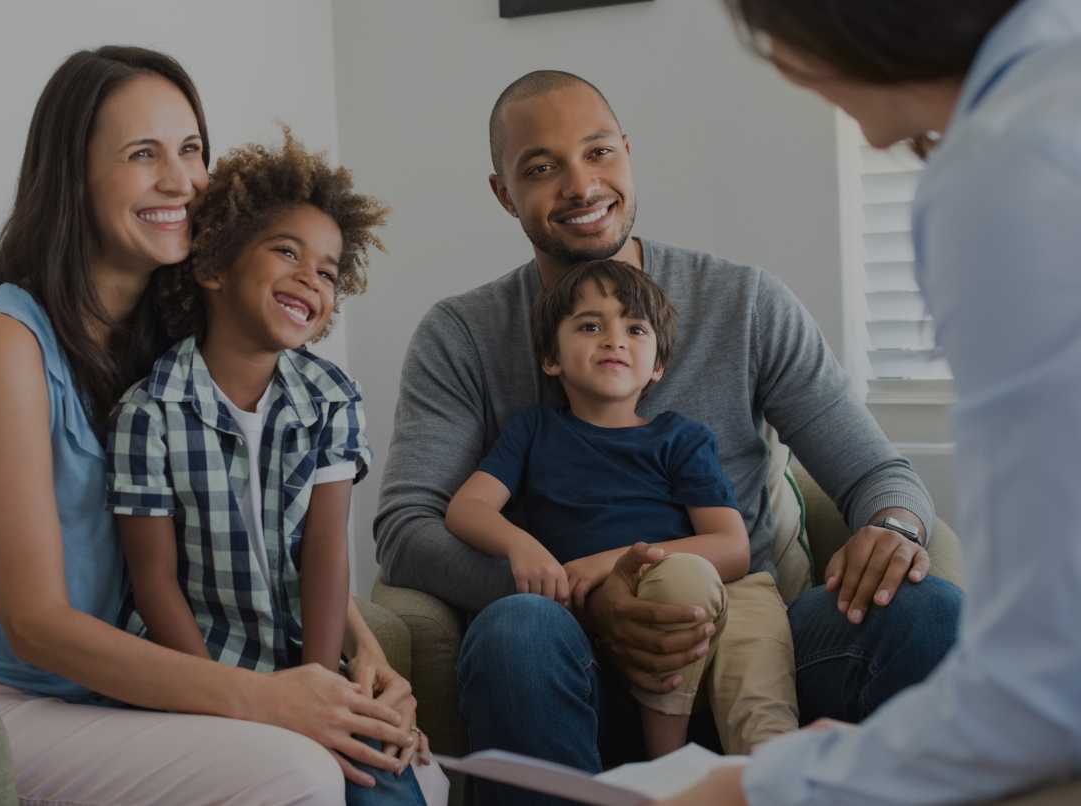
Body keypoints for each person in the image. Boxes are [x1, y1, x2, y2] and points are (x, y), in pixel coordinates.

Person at [374, 68, 962, 804]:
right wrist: (581, 597)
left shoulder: (743, 303)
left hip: (745, 641)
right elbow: (406, 528)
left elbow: (878, 472)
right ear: (504, 193)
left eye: (598, 153)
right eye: (541, 168)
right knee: (516, 631)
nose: (582, 185)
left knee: (929, 609)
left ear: (627, 152)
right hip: (565, 654)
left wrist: (895, 525)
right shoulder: (463, 335)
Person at [0, 46, 423, 806]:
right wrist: (269, 702)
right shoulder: (5, 342)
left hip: (127, 691)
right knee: (301, 769)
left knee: (395, 764)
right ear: (72, 176)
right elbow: (35, 624)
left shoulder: (177, 342)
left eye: (190, 150)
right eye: (142, 154)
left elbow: (263, 528)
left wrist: (361, 657)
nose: (180, 180)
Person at [664, 0, 1081, 803]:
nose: (779, 64)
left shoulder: (1001, 171)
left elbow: (1042, 692)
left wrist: (764, 783)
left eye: (768, 28)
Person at [107, 129, 446, 806]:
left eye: (326, 270)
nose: (309, 278)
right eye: (287, 251)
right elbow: (154, 582)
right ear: (214, 266)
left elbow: (325, 555)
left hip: (305, 669)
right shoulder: (146, 414)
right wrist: (223, 702)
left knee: (387, 790)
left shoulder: (331, 401)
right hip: (193, 675)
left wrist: (319, 692)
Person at [445, 258, 798, 760]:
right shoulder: (535, 430)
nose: (615, 339)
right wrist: (519, 545)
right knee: (676, 584)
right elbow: (467, 508)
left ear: (657, 365)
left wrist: (602, 563)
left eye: (635, 328)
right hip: (611, 627)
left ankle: (759, 784)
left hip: (729, 595)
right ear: (552, 357)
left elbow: (731, 548)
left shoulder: (680, 437)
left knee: (761, 711)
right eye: (591, 326)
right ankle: (664, 774)